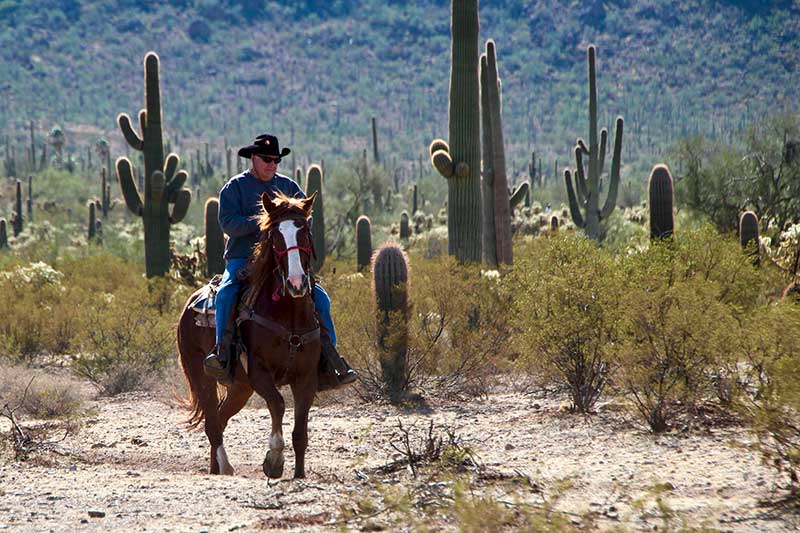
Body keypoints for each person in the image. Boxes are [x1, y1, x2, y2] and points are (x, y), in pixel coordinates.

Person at [204, 133, 357, 388]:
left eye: (276, 160)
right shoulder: (234, 188)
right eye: (266, 159)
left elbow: (304, 220)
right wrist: (264, 223)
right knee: (226, 294)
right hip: (243, 258)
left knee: (321, 298)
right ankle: (222, 352)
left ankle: (329, 358)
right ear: (253, 158)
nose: (272, 164)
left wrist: (291, 232)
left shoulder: (289, 187)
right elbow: (227, 223)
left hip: (283, 260)